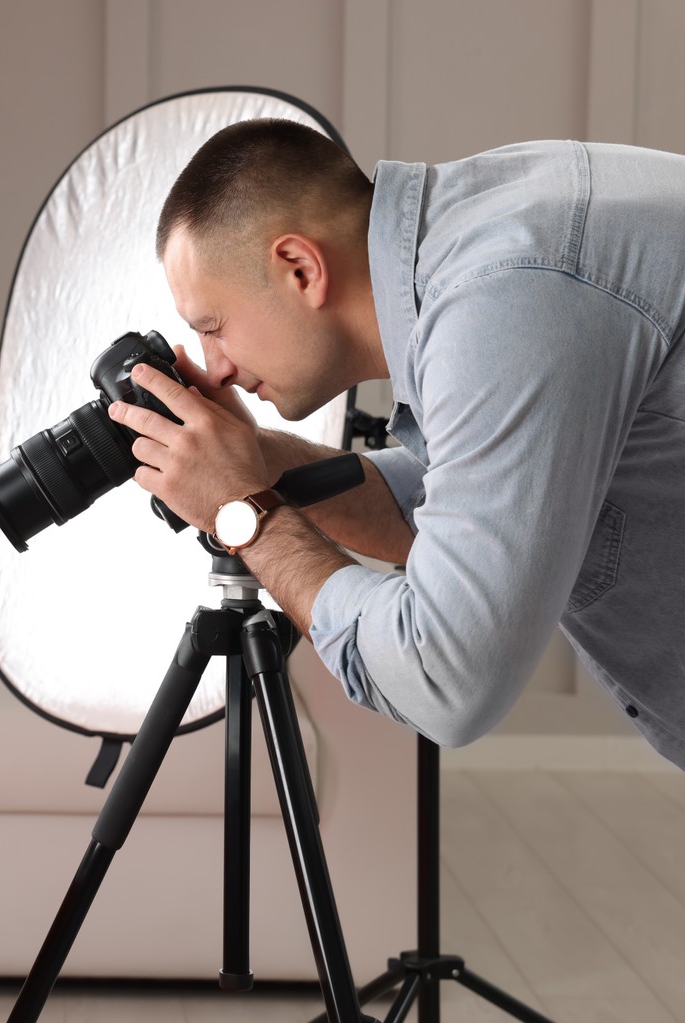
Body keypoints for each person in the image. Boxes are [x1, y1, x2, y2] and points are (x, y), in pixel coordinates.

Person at [106, 118, 685, 770]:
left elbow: (445, 679)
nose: (215, 368)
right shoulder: (481, 236)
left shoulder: (503, 301)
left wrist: (243, 511)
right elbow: (459, 501)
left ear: (299, 267)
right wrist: (253, 459)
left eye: (212, 328)